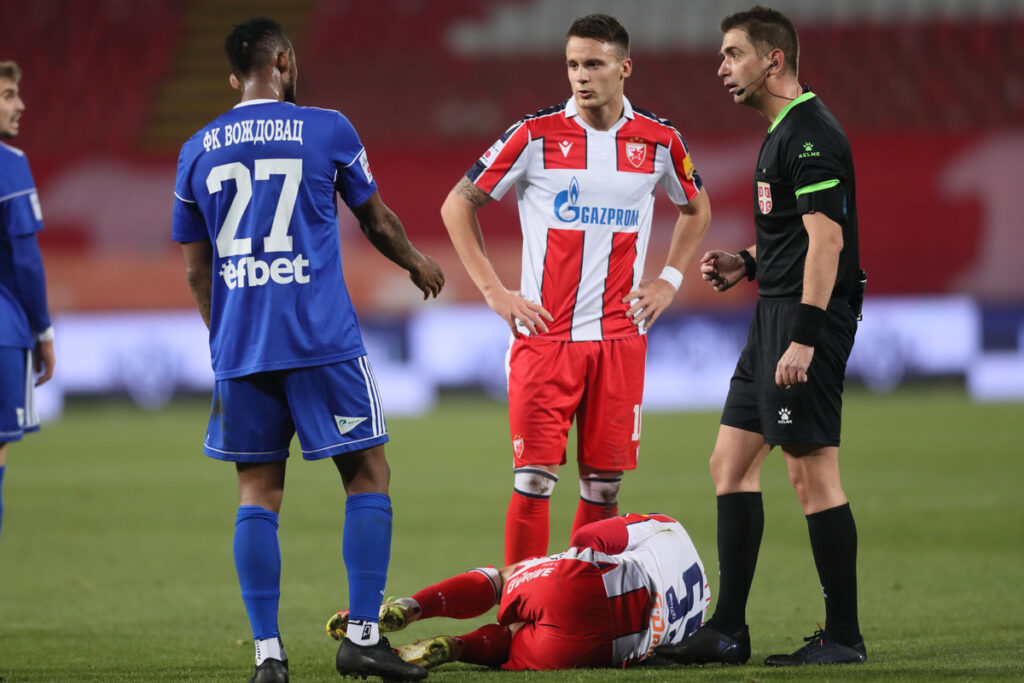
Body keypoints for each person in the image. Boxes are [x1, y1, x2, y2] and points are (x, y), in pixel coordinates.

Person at [171, 18, 444, 683]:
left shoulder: (197, 148)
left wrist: (223, 336)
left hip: (244, 348)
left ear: (236, 77)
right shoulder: (327, 128)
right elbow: (375, 219)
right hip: (321, 339)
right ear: (284, 61)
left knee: (257, 492)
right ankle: (361, 636)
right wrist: (416, 263)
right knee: (368, 474)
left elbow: (194, 268)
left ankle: (268, 654)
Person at [440, 14, 711, 566]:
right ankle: (520, 612)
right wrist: (494, 292)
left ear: (624, 68)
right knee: (535, 481)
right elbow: (458, 203)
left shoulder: (659, 141)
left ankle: (584, 612)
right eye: (572, 65)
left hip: (619, 338)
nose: (580, 76)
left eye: (593, 64)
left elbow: (696, 206)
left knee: (604, 490)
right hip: (546, 336)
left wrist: (669, 279)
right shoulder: (533, 135)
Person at [658, 6, 866, 667]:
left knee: (811, 473)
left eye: (733, 54)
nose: (722, 67)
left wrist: (804, 338)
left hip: (804, 320)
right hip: (771, 314)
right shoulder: (784, 132)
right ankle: (727, 631)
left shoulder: (809, 135)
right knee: (730, 462)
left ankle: (843, 637)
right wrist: (747, 262)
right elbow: (794, 233)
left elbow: (827, 242)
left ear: (772, 60)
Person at [326, 513, 709, 670]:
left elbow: (589, 536)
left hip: (577, 588)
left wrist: (569, 559)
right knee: (512, 638)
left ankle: (411, 607)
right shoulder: (701, 614)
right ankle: (458, 646)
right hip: (595, 649)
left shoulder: (667, 526)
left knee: (504, 577)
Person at [0, 60, 56, 544]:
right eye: (7, 94)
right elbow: (26, 261)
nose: (20, 104)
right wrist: (44, 333)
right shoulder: (9, 165)